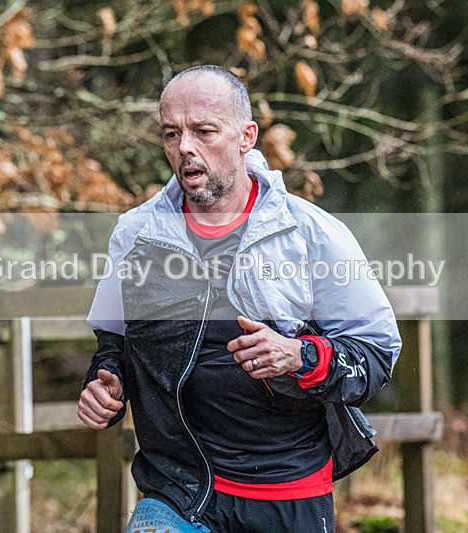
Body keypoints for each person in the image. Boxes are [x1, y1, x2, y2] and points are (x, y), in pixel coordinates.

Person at [78, 65, 401, 532]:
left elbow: (376, 356)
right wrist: (105, 383)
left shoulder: (310, 234)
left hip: (286, 493)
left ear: (247, 136)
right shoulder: (137, 233)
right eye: (172, 133)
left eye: (204, 131)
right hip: (179, 490)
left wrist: (299, 355)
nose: (185, 147)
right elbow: (115, 342)